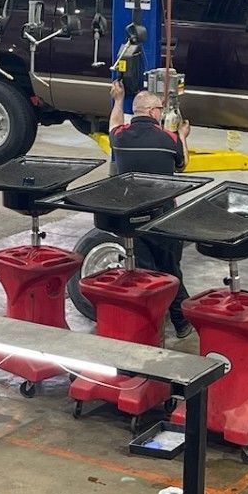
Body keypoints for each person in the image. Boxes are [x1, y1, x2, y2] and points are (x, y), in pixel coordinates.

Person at [109, 79, 191, 334]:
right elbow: (183, 164)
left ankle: (148, 326)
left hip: (131, 217)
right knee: (170, 270)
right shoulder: (168, 139)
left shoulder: (120, 138)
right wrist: (183, 136)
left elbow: (113, 123)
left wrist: (119, 99)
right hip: (162, 215)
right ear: (154, 113)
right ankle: (181, 321)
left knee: (145, 272)